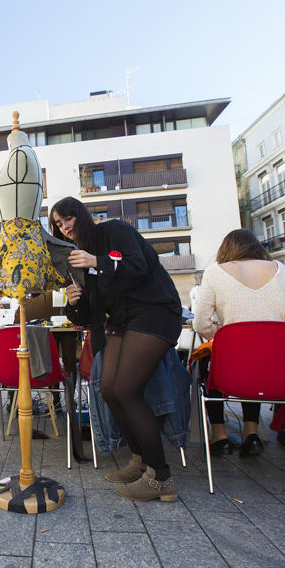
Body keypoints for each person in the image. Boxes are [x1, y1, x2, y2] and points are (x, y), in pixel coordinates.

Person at [52, 196, 182, 502]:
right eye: (58, 224)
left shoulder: (114, 231)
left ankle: (161, 477)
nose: (65, 226)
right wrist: (74, 302)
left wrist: (97, 261)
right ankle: (140, 460)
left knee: (125, 390)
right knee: (108, 388)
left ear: (81, 215)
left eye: (68, 218)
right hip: (123, 322)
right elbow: (90, 317)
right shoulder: (77, 261)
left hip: (154, 310)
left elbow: (138, 265)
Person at [193, 229, 285, 457]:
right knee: (255, 360)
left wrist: (225, 334)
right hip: (282, 369)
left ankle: (219, 435)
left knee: (210, 363)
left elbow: (200, 324)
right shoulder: (283, 271)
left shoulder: (215, 272)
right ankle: (251, 432)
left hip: (234, 364)